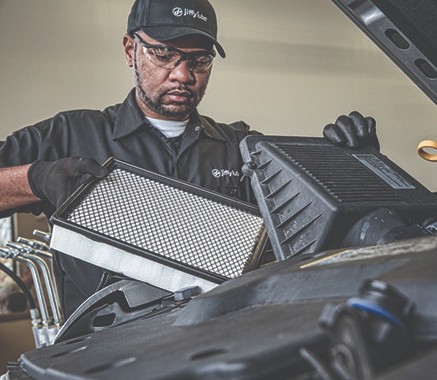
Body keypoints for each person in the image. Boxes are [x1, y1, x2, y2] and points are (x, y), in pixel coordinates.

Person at [0, 0, 379, 317]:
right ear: (131, 50)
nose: (183, 74)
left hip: (218, 338)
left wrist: (357, 166)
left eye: (200, 60)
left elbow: (317, 231)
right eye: (164, 54)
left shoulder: (241, 146)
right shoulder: (69, 134)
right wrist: (35, 178)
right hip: (105, 353)